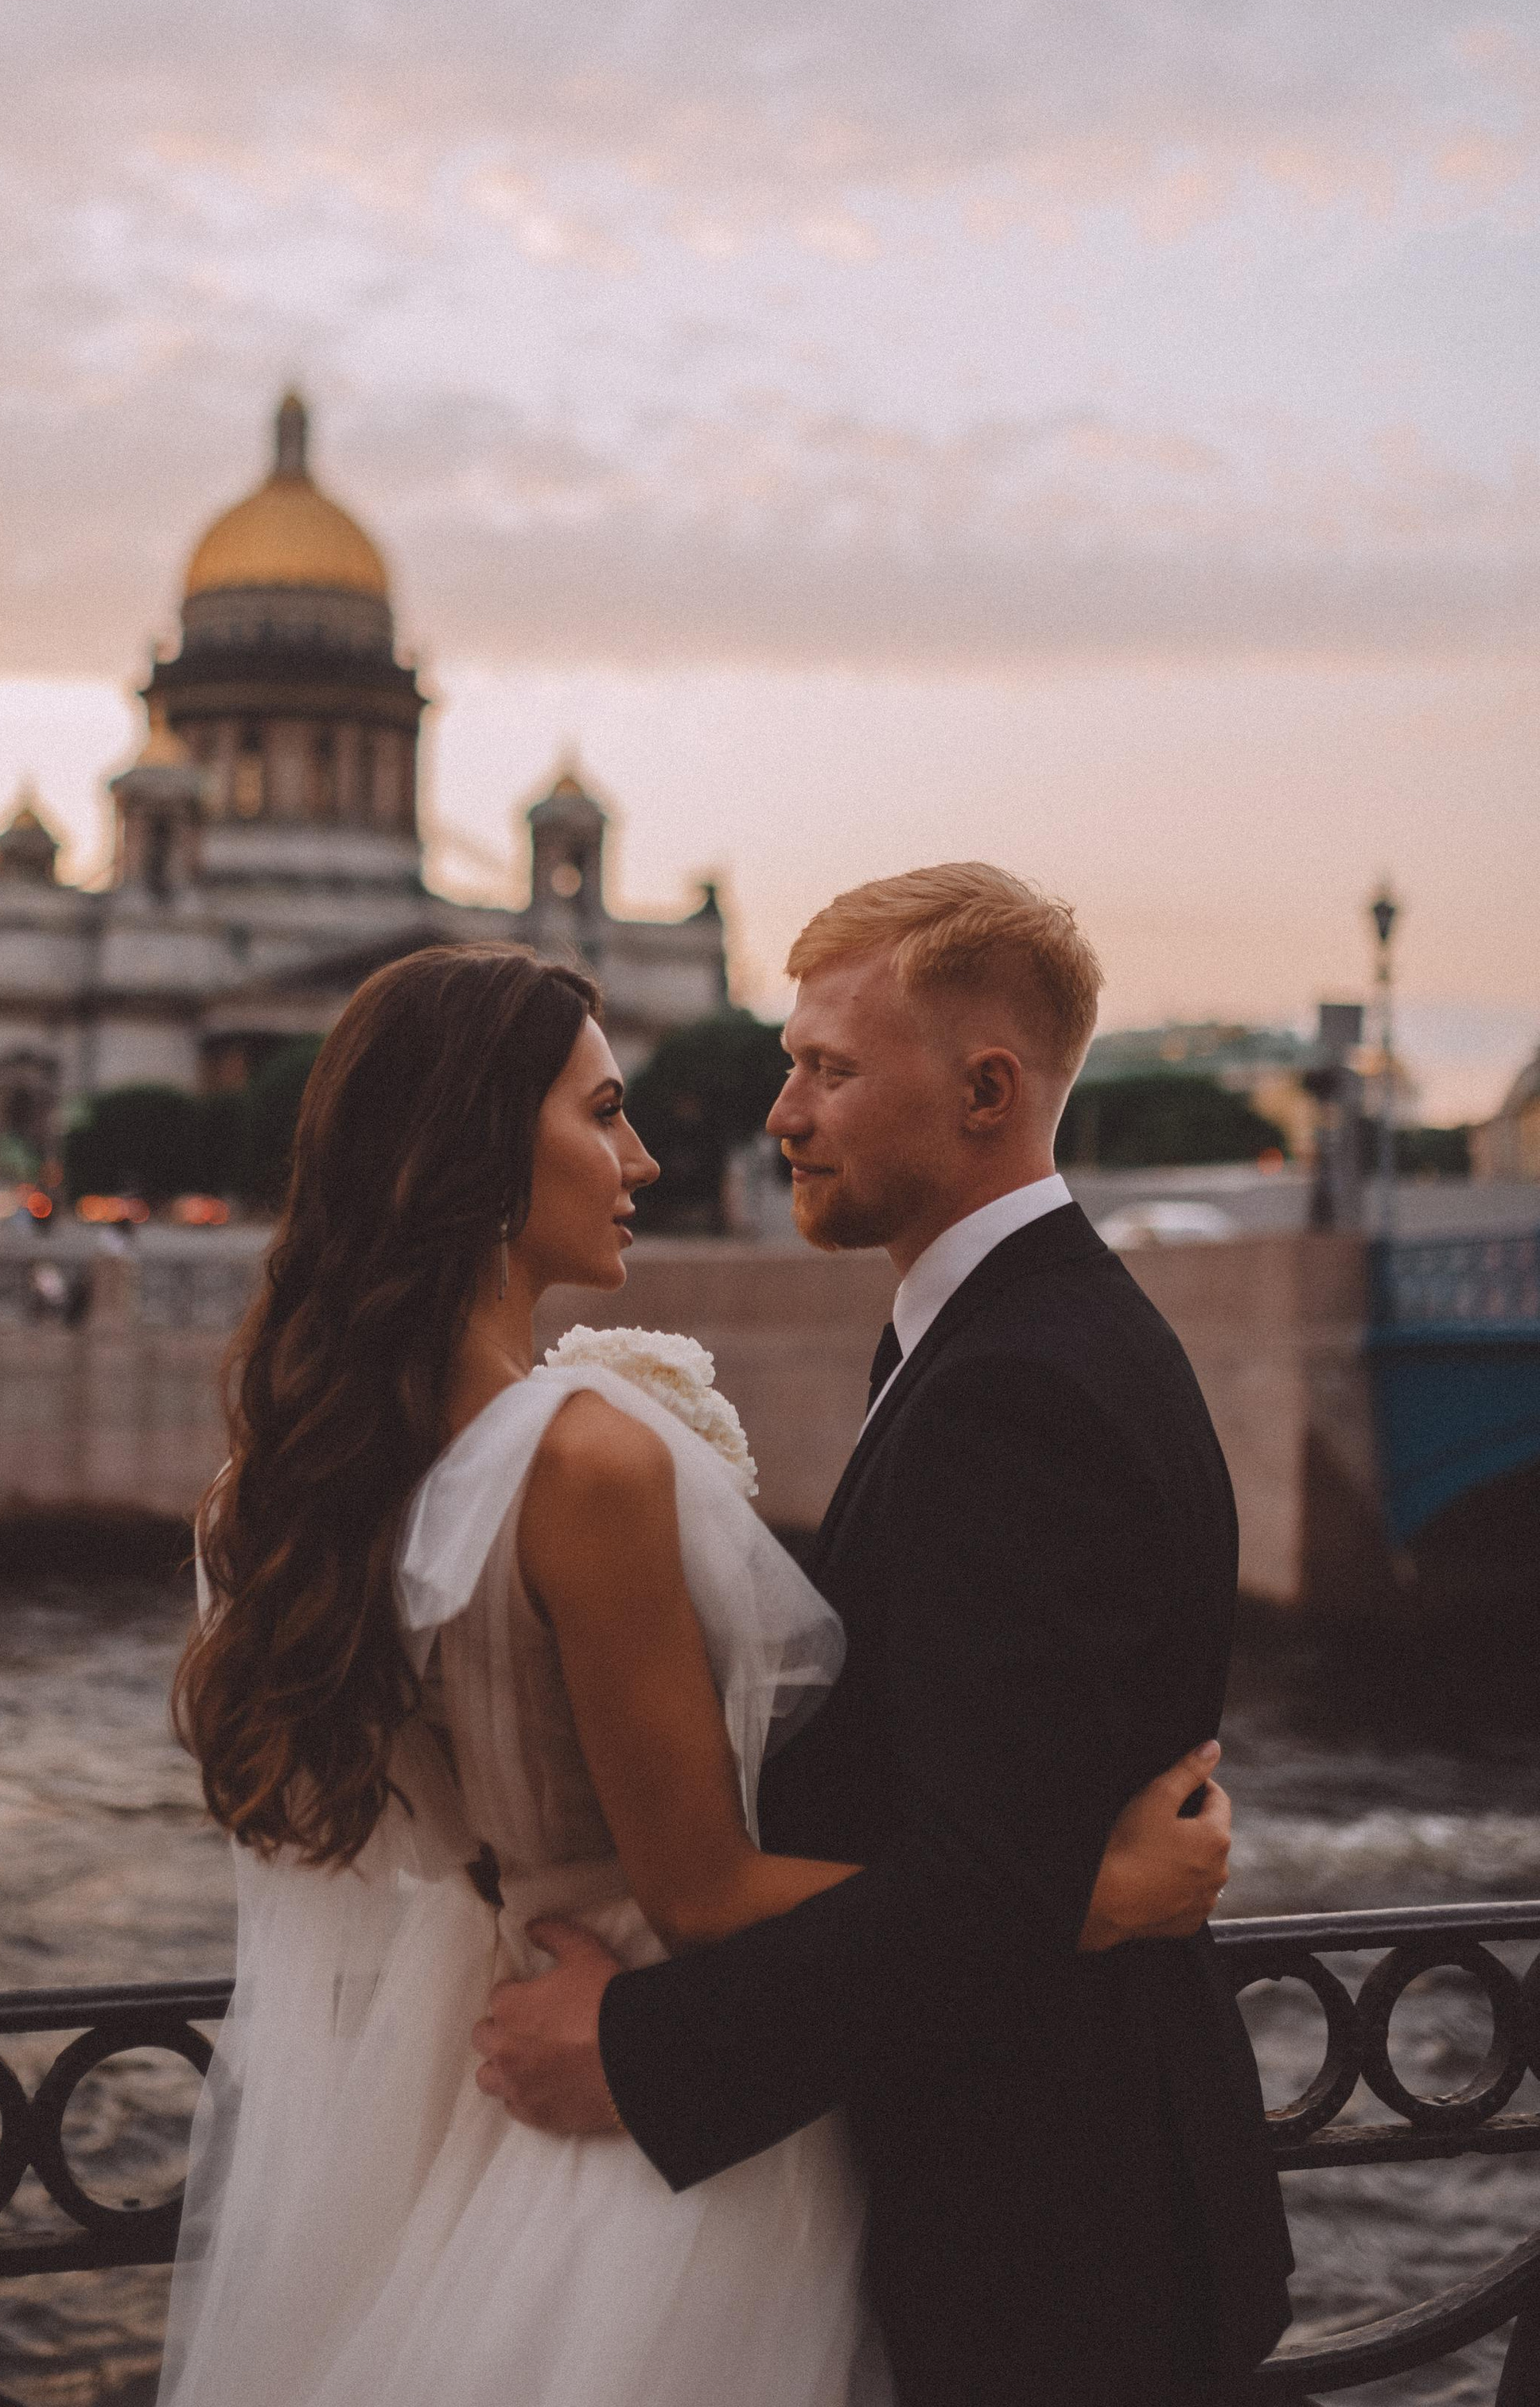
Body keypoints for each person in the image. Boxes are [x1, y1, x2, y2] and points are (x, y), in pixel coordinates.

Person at [163, 938, 1231, 2407]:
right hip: (659, 2097)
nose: (646, 1156)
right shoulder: (582, 1455)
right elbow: (702, 1887)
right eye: (603, 1114)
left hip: (464, 2065)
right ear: (482, 1148)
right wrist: (1085, 1896)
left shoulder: (285, 1486)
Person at [471, 868, 1294, 2407]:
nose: (781, 1110)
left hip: (1044, 2249)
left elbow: (981, 1890)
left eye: (829, 1070)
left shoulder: (1014, 1388)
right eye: (789, 1063)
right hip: (1073, 2198)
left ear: (988, 1090)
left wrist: (643, 2051)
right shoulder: (1023, 1335)